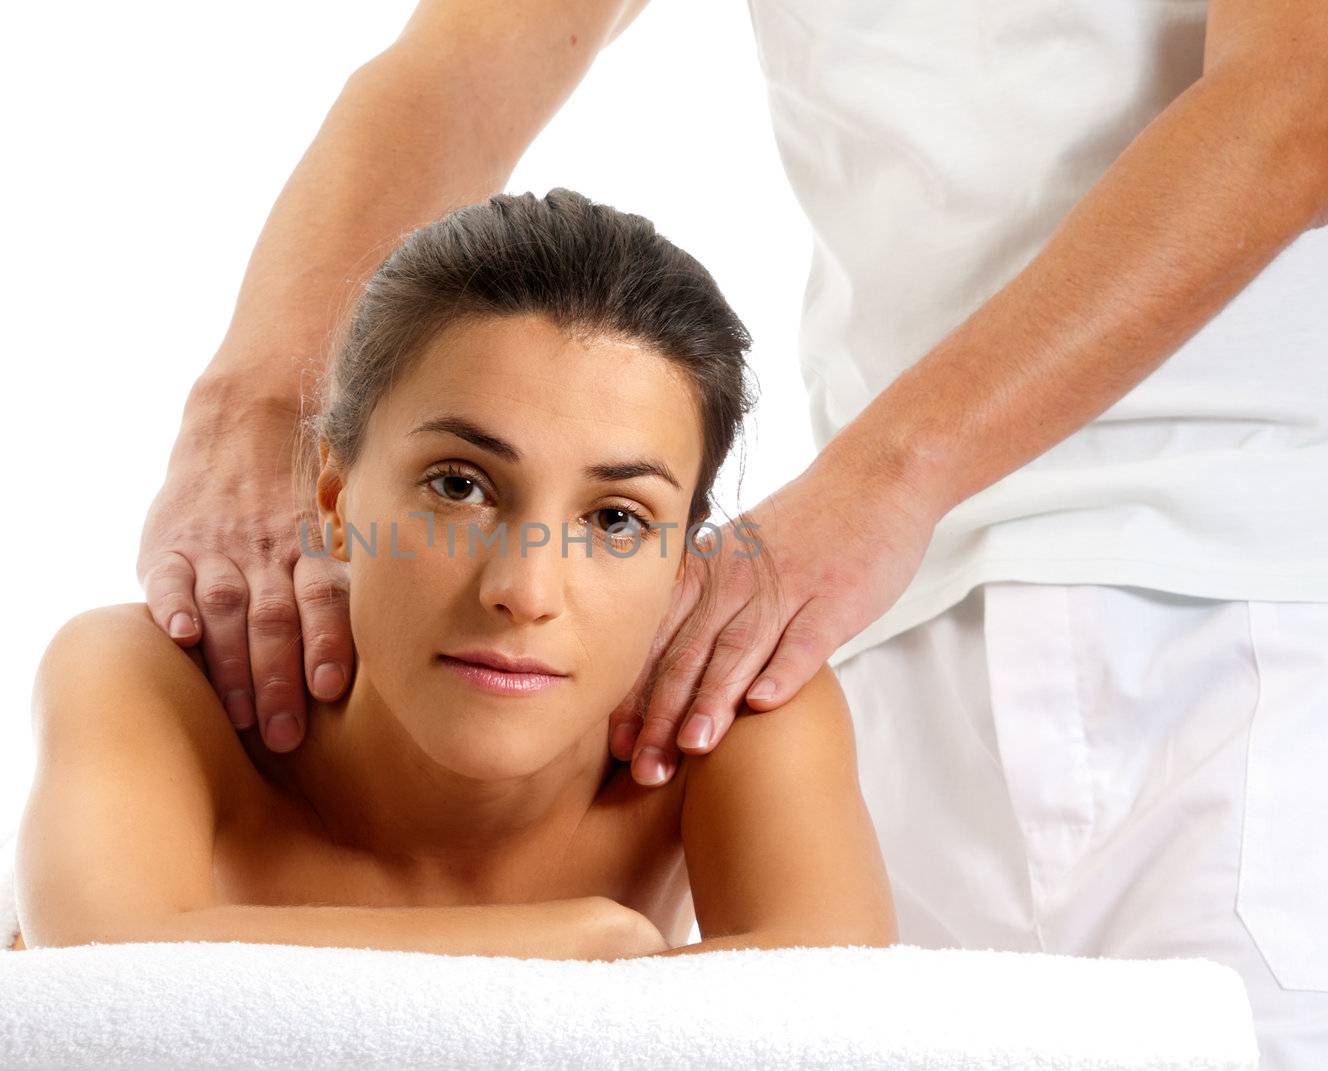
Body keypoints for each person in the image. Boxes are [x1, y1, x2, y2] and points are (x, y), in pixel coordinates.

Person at [135, 2, 1328, 1064]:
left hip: (1239, 600)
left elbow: (1299, 94)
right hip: (882, 624)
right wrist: (253, 397)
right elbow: (471, 49)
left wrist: (885, 483)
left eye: (610, 514)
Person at [13, 190, 897, 959]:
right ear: (333, 496)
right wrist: (590, 944)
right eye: (460, 485)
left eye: (616, 519)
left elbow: (832, 1010)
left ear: (681, 562)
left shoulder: (726, 706)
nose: (524, 589)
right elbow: (98, 970)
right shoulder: (154, 675)